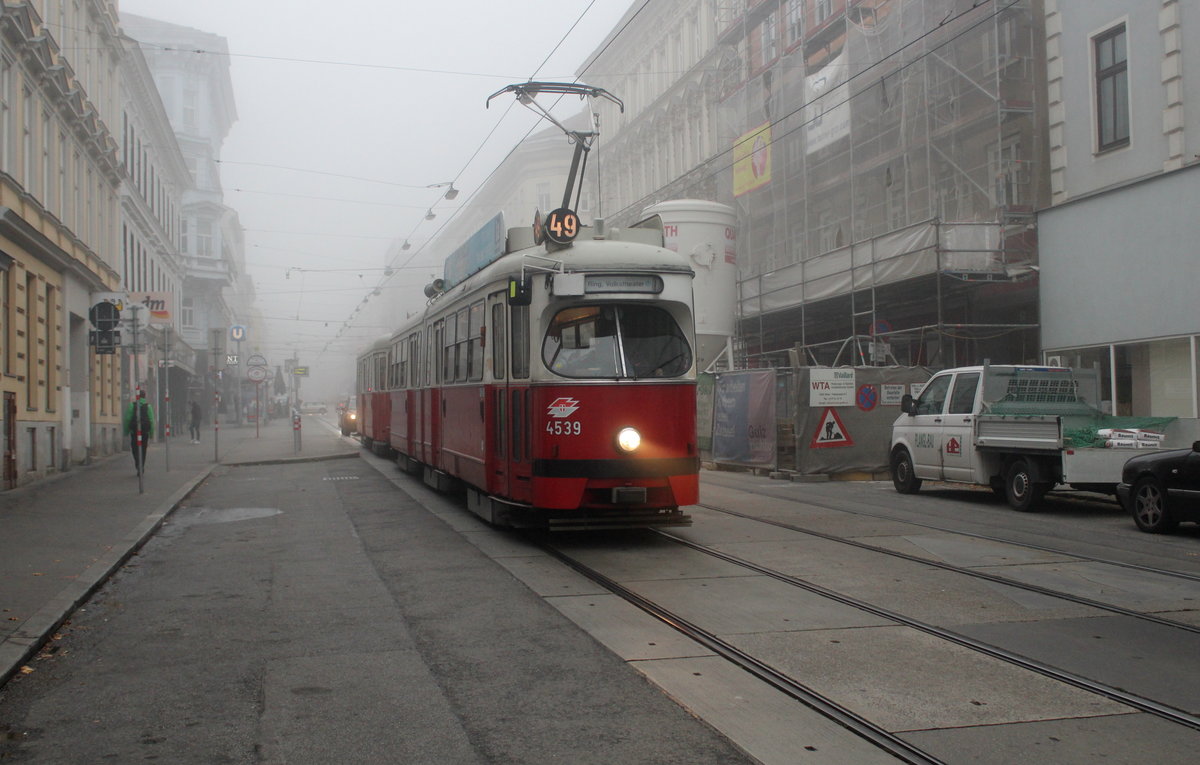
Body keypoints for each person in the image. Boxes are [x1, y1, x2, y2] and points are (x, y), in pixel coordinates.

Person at [123, 390, 155, 475]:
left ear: (137, 397)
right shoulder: (148, 406)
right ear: (144, 397)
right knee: (143, 450)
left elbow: (128, 419)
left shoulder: (132, 405)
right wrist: (151, 433)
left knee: (134, 449)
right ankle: (141, 466)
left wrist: (126, 431)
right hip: (144, 432)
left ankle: (138, 464)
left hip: (135, 432)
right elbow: (151, 421)